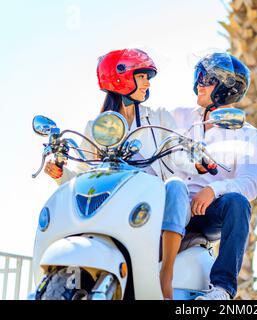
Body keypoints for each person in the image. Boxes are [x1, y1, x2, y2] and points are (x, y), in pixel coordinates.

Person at [43, 48, 192, 300]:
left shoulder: (158, 119)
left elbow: (181, 154)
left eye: (147, 77)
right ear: (121, 78)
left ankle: (166, 274)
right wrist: (59, 173)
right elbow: (84, 177)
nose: (147, 83)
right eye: (142, 76)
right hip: (111, 206)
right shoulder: (95, 127)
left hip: (150, 205)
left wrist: (192, 156)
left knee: (177, 185)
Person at [171, 52, 257, 300]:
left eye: (207, 79)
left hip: (205, 213)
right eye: (198, 77)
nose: (199, 84)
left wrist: (213, 190)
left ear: (226, 89)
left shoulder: (248, 133)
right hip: (168, 203)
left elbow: (249, 183)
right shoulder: (177, 117)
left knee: (237, 203)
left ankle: (222, 289)